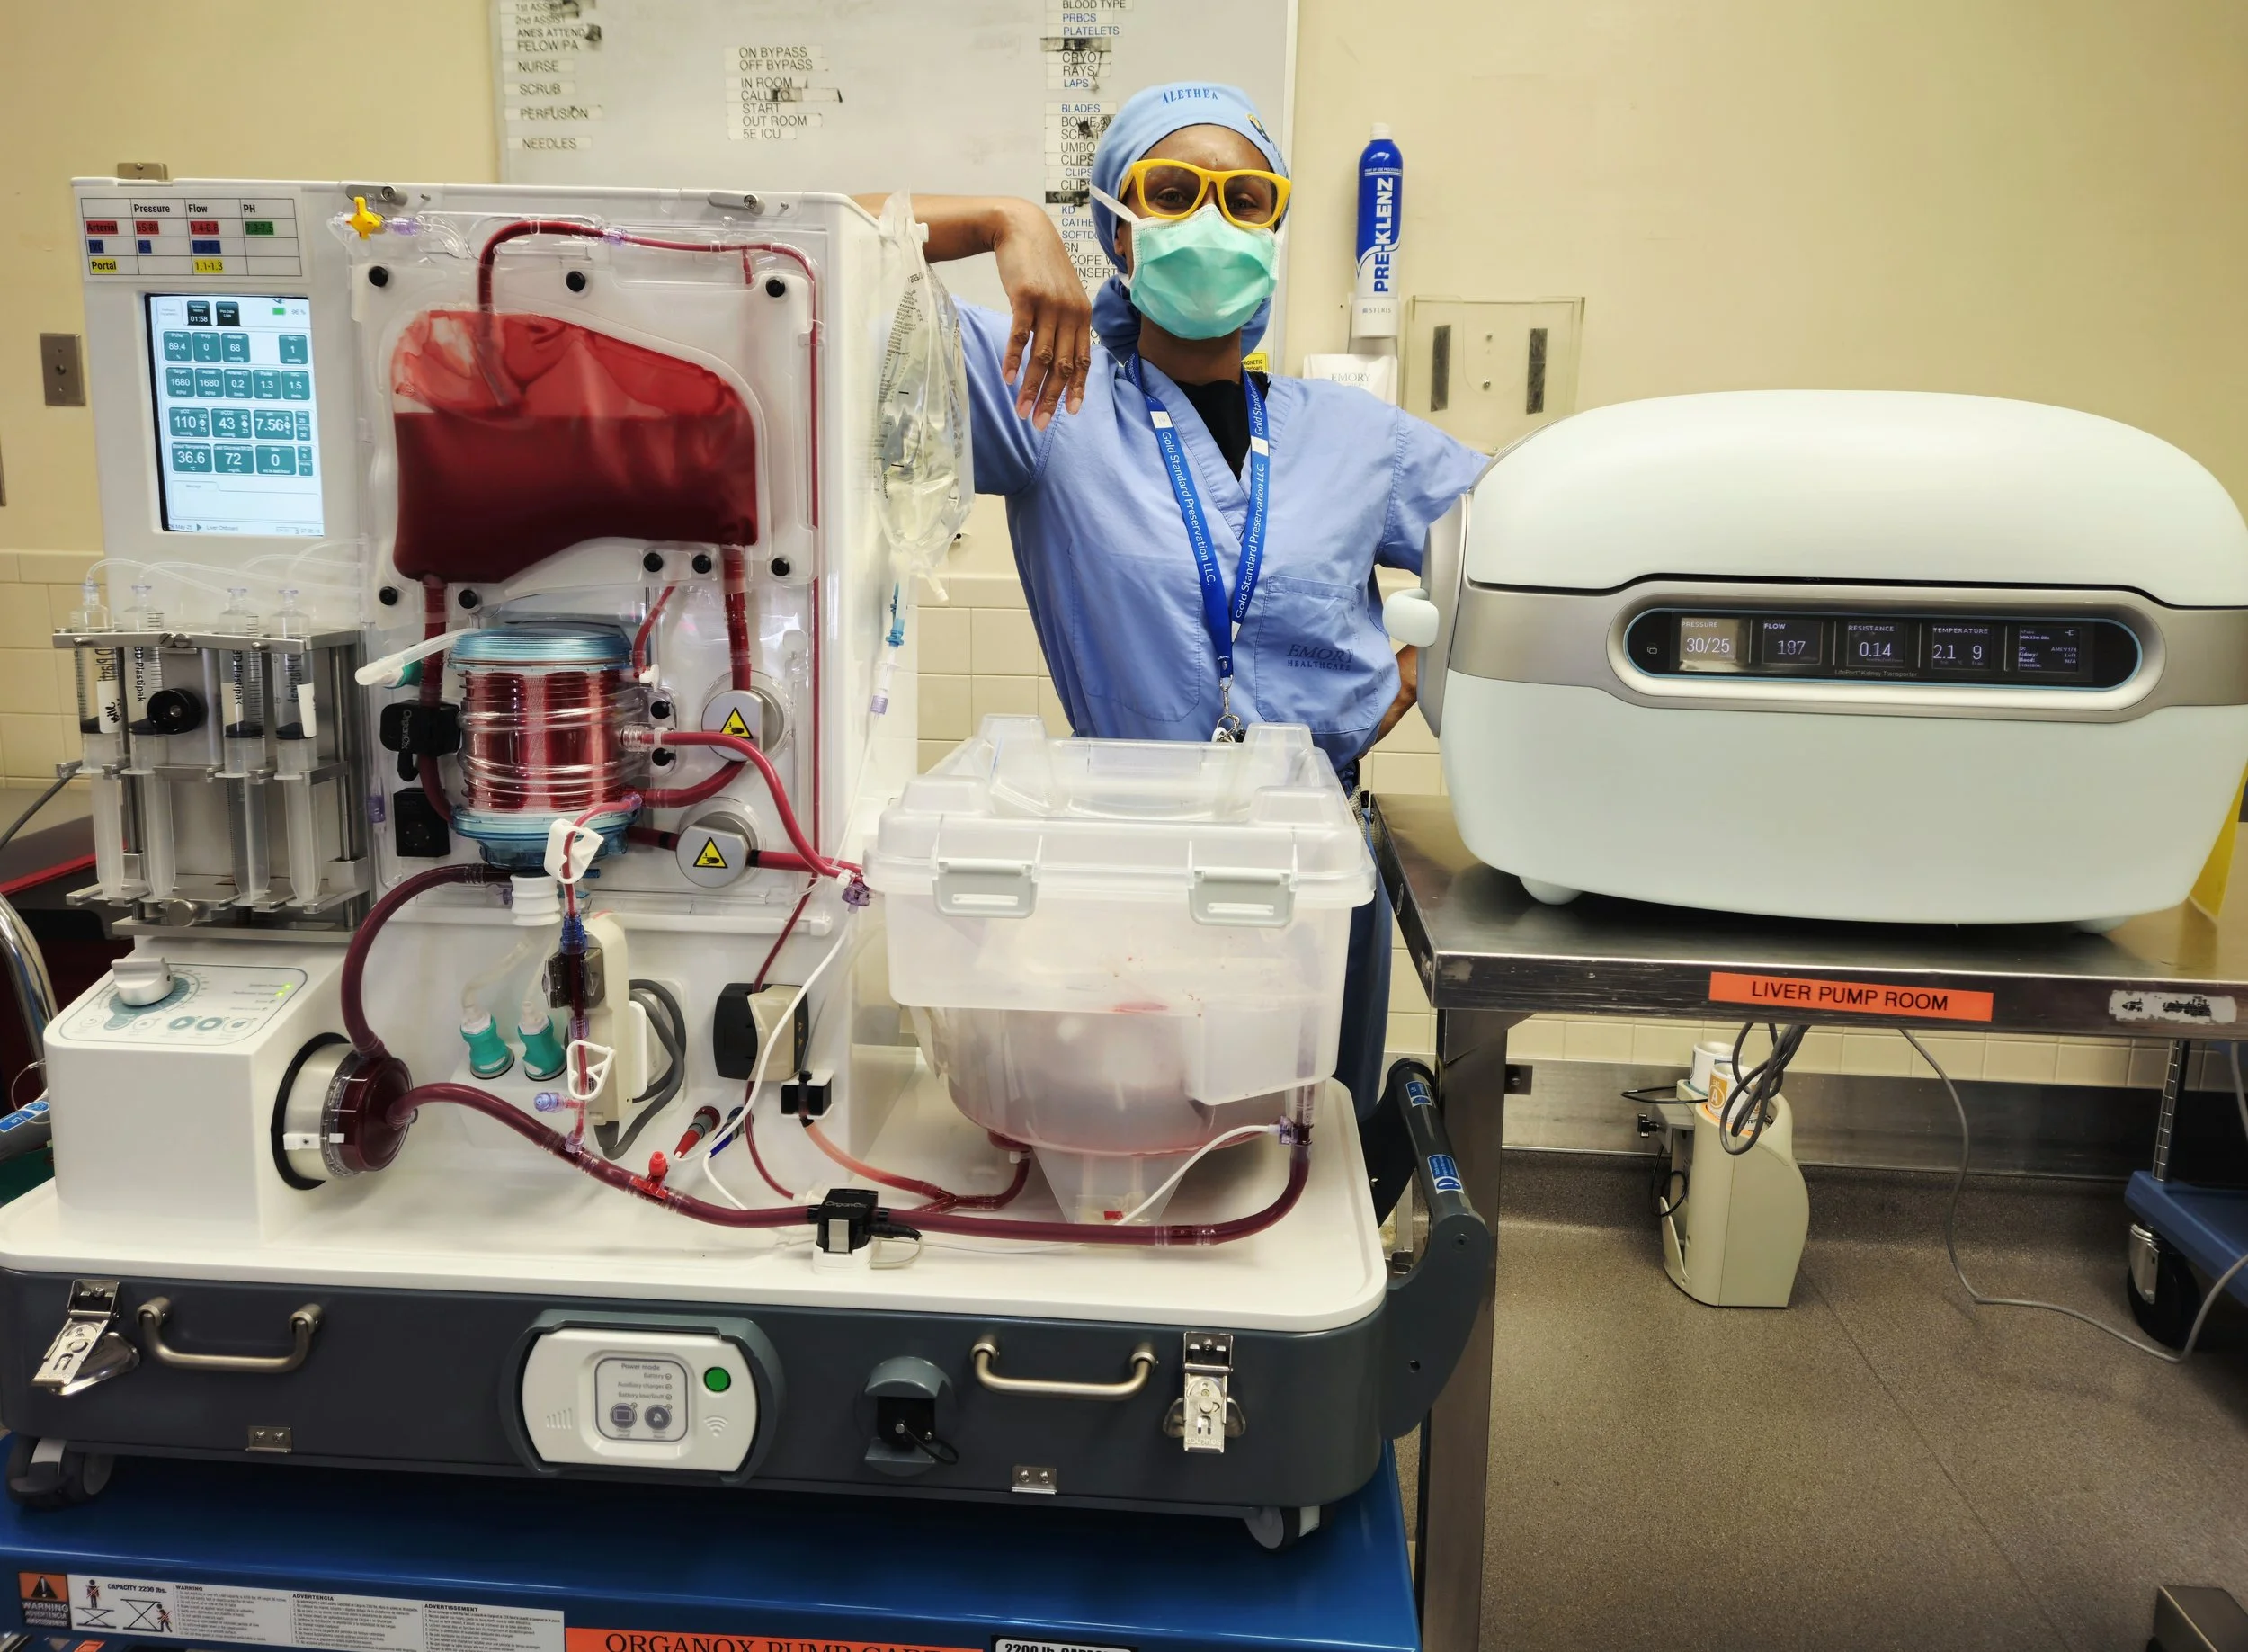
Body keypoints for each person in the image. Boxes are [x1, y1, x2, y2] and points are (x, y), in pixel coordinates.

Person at [860, 82, 1486, 1121]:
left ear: (1276, 230)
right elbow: (806, 262)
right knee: (1138, 1139)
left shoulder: (1354, 436)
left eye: (1246, 199)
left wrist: (1400, 682)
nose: (1213, 220)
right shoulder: (1047, 391)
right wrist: (999, 221)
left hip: (1312, 863)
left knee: (1298, 1153)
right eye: (1173, 190)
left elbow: (1513, 545)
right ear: (1116, 224)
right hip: (1126, 865)